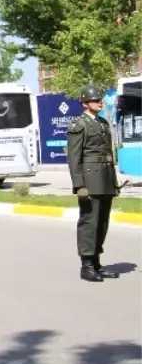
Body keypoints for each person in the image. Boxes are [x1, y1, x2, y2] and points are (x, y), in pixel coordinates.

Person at [66, 85, 121, 282]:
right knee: (90, 222)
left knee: (102, 223)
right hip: (90, 181)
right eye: (95, 100)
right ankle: (87, 266)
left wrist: (113, 183)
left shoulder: (103, 123)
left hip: (105, 179)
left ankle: (97, 263)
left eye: (100, 99)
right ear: (85, 103)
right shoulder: (79, 125)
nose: (100, 102)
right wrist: (79, 185)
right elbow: (74, 157)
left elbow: (108, 156)